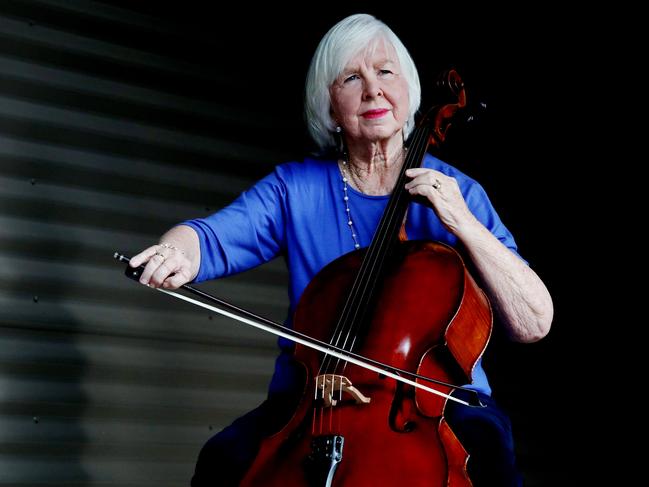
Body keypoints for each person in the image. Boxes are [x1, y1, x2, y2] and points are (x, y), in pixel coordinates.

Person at [130, 13, 553, 487]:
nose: (372, 90)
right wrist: (175, 252)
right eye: (352, 77)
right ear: (330, 106)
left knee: (487, 454)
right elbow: (208, 238)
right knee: (222, 461)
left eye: (385, 72)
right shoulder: (296, 188)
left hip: (435, 401)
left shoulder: (458, 193)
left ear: (409, 90)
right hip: (311, 399)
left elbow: (533, 322)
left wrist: (462, 221)